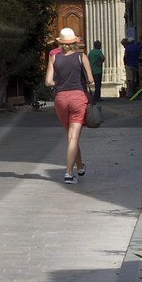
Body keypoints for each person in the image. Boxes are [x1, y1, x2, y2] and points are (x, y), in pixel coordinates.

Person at [44, 27, 93, 183]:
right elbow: (91, 80)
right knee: (73, 137)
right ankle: (68, 173)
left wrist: (59, 83)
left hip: (60, 100)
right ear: (74, 43)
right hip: (78, 98)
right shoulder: (81, 57)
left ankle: (80, 167)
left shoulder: (54, 59)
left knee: (71, 136)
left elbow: (48, 82)